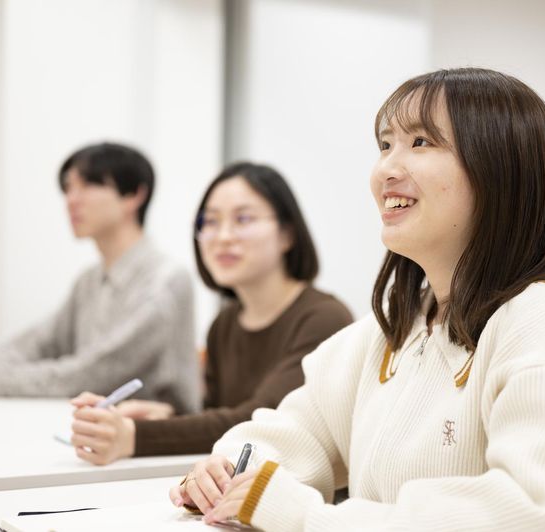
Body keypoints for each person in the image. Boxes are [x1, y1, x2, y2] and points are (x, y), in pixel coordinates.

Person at [170, 68, 545, 531]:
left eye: (420, 142)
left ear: (500, 169)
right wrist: (227, 470)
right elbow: (297, 431)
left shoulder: (541, 321)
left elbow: (541, 515)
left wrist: (301, 516)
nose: (386, 170)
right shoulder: (402, 324)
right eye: (385, 145)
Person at [68, 162, 353, 466]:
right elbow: (222, 422)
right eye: (210, 222)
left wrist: (136, 434)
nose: (223, 236)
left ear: (287, 234)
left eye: (243, 219)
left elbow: (258, 420)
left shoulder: (325, 319)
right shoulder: (226, 323)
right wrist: (168, 416)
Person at [0, 142, 200, 414]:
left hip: (155, 451)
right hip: (94, 433)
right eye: (67, 188)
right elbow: (33, 345)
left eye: (88, 185)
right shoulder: (90, 280)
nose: (71, 199)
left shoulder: (165, 281)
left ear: (134, 194)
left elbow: (88, 375)